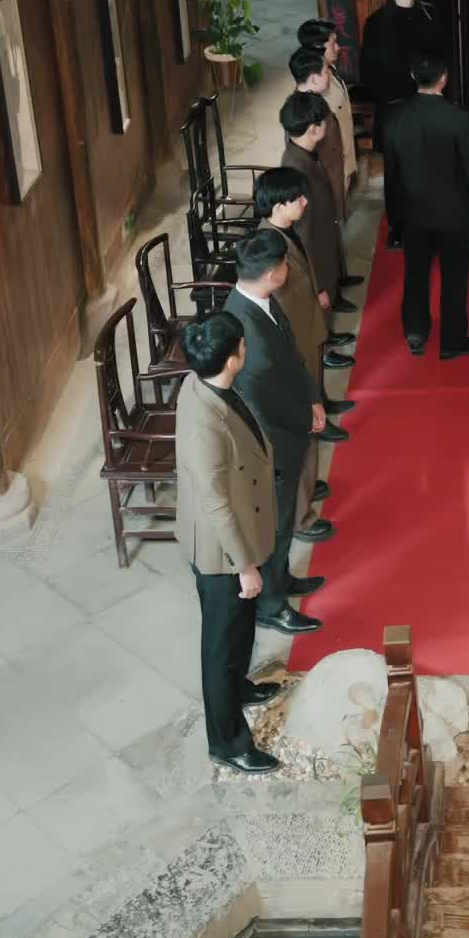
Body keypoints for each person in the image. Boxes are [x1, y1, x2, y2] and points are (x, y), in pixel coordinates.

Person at [176, 313, 282, 775]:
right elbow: (215, 503)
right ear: (234, 358)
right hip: (221, 552)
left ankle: (239, 687)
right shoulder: (204, 423)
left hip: (237, 531)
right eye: (242, 344)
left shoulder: (203, 382)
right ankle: (227, 742)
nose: (246, 347)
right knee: (219, 650)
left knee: (239, 629)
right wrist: (245, 566)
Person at [222, 230, 332, 638]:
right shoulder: (243, 325)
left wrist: (313, 397)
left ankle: (282, 580)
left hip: (290, 425)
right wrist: (305, 416)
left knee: (283, 524)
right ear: (273, 273)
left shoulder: (261, 299)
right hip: (273, 443)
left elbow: (292, 354)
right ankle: (270, 605)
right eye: (285, 264)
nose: (288, 269)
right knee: (273, 527)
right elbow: (265, 400)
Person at [255, 166, 354, 529]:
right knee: (303, 430)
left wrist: (317, 292)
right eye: (297, 198)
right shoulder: (268, 249)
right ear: (278, 205)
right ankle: (302, 517)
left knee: (312, 422)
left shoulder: (287, 231)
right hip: (294, 348)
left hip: (309, 337)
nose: (304, 202)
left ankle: (310, 488)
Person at [382, 52, 469, 359]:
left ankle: (415, 333)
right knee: (455, 279)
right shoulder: (458, 116)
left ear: (413, 78)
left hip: (413, 212)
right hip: (455, 213)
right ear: (444, 79)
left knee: (416, 274)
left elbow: (391, 173)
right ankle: (452, 342)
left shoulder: (394, 117)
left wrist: (394, 216)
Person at [360, 0, 445, 248]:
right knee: (396, 170)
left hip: (428, 101)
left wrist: (437, 92)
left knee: (430, 165)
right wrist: (389, 98)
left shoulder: (431, 14)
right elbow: (368, 69)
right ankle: (398, 226)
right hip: (394, 104)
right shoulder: (377, 22)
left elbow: (443, 58)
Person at [279, 90, 358, 336]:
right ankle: (326, 340)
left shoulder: (306, 150)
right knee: (320, 304)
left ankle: (333, 295)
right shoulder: (297, 169)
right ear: (313, 129)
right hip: (315, 244)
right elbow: (304, 238)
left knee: (329, 273)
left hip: (324, 231)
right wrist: (318, 286)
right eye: (325, 121)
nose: (328, 125)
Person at [297, 16, 358, 206]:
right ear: (318, 47)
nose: (338, 48)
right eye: (333, 43)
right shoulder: (314, 89)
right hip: (331, 172)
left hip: (344, 163)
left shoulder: (329, 70)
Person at [288, 47, 350, 232]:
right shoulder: (303, 115)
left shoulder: (314, 101)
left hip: (332, 179)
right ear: (314, 79)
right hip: (322, 191)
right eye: (325, 72)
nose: (329, 75)